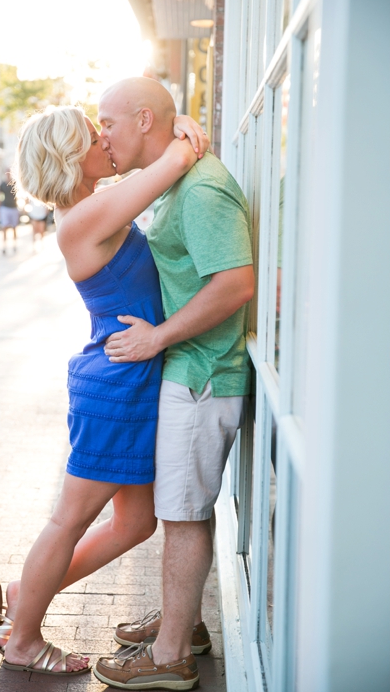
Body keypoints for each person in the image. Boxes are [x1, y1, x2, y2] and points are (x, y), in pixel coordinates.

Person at [0, 106, 209, 677]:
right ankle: (23, 641)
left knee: (135, 523)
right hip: (118, 383)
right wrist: (176, 127)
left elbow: (159, 162)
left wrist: (172, 122)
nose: (105, 141)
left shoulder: (90, 209)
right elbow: (176, 159)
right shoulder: (83, 218)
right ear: (70, 158)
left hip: (127, 374)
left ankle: (23, 592)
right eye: (93, 136)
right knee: (68, 519)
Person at [92, 77, 254, 690]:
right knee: (186, 512)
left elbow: (235, 285)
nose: (102, 134)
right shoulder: (178, 173)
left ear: (140, 119)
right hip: (191, 373)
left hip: (203, 376)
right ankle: (181, 627)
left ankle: (169, 661)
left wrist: (156, 338)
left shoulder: (204, 191)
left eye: (108, 121)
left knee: (183, 517)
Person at [0, 170, 19, 254]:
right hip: (5, 207)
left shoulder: (15, 183)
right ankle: (4, 246)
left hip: (14, 207)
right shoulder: (2, 184)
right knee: (4, 227)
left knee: (14, 228)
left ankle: (14, 245)